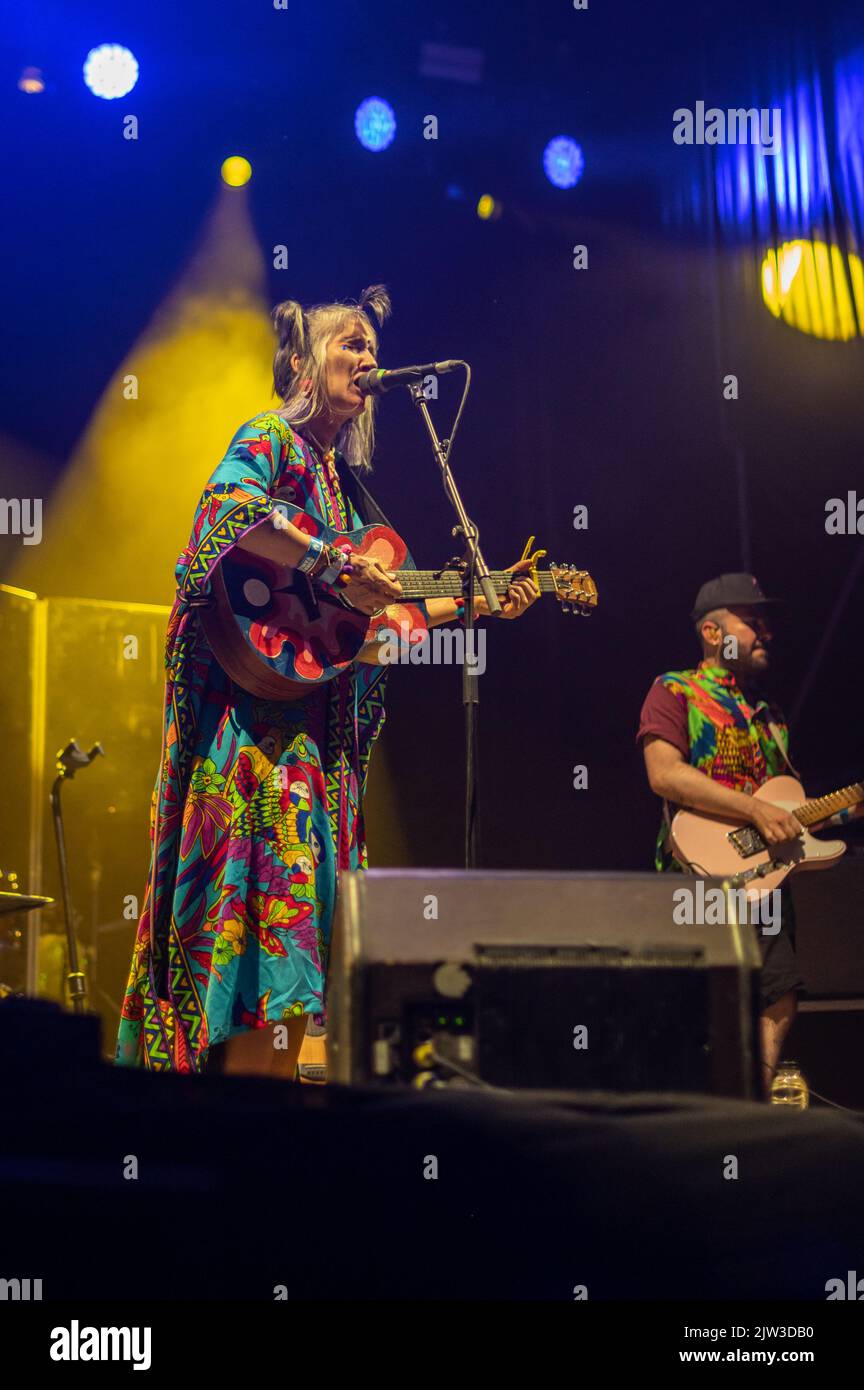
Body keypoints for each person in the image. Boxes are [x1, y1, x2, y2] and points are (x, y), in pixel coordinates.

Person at [116, 285, 539, 1075]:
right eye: (350, 341)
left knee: (295, 953)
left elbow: (368, 636)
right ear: (306, 360)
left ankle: (265, 1128)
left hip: (311, 748)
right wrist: (330, 562)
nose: (368, 354)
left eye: (373, 344)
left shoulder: (346, 492)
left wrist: (478, 603)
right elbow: (228, 513)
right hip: (247, 741)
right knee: (252, 923)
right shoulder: (270, 436)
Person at [638, 573, 806, 1095]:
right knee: (698, 995)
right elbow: (664, 774)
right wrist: (754, 809)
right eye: (751, 622)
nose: (765, 633)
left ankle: (748, 1105)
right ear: (712, 632)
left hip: (767, 879)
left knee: (777, 989)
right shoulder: (675, 689)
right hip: (697, 876)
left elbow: (792, 806)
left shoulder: (769, 714)